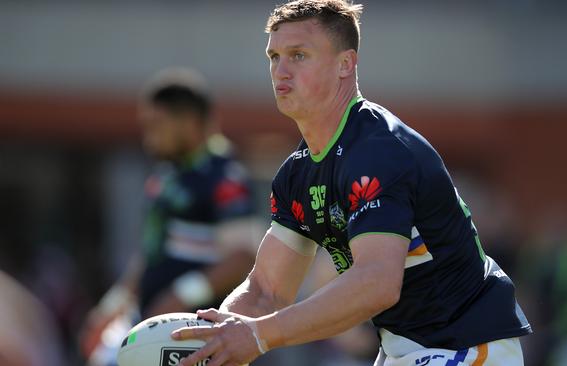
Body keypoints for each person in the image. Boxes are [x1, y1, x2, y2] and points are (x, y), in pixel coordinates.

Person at [172, 1, 532, 365]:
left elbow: (376, 283)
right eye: (274, 56)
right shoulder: (295, 175)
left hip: (465, 345)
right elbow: (266, 290)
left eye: (298, 55)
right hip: (402, 350)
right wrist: (211, 338)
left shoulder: (378, 151)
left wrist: (256, 335)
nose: (280, 70)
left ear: (346, 64)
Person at [80, 67, 261, 365]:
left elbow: (241, 257)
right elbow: (152, 252)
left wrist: (179, 296)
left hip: (190, 334)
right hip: (149, 320)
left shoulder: (225, 178)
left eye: (156, 124)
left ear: (189, 123)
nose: (148, 136)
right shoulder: (166, 177)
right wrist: (112, 306)